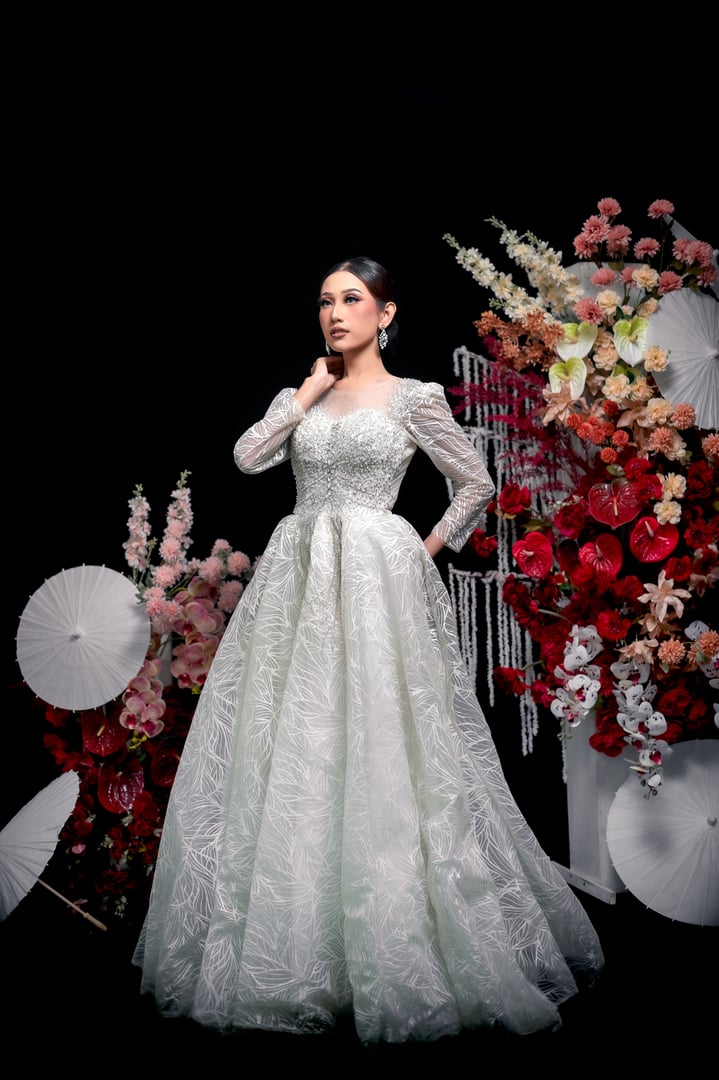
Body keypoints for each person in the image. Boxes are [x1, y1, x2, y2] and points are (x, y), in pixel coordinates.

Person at [133, 256, 604, 1044]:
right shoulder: (301, 392)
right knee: (294, 740)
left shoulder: (413, 397)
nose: (335, 312)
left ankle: (400, 943)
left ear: (385, 313)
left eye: (352, 299)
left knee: (386, 741)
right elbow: (249, 458)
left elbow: (474, 483)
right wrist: (304, 399)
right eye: (324, 300)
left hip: (375, 578)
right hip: (300, 575)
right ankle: (292, 950)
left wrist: (421, 549)